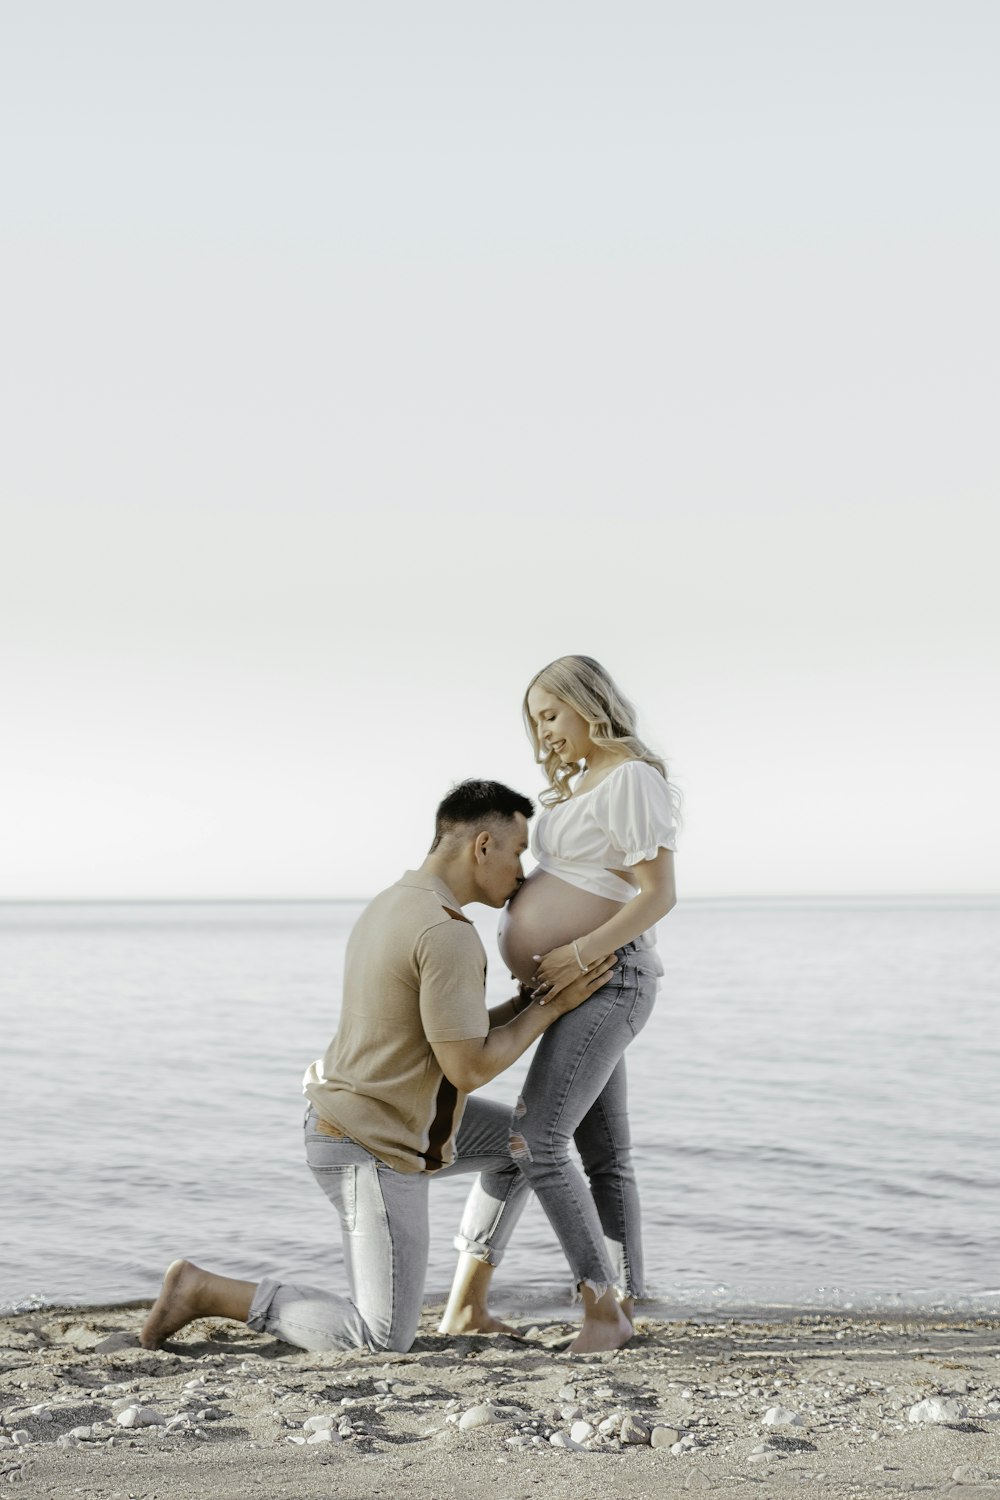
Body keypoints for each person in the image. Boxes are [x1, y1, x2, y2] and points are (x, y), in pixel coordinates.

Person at [139, 779, 615, 1355]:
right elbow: (467, 1067)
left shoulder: (395, 901)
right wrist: (552, 1008)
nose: (523, 871)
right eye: (519, 852)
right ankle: (208, 1291)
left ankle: (467, 1305)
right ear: (482, 845)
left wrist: (525, 1002)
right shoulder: (447, 933)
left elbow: (438, 1030)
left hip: (371, 1114)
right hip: (368, 1142)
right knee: (380, 1338)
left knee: (521, 1146)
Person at [439, 657, 679, 1354]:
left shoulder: (630, 777)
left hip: (608, 977)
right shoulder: (582, 788)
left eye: (551, 714)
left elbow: (656, 894)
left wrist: (576, 952)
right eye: (536, 720)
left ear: (586, 703)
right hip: (573, 986)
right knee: (604, 1152)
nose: (544, 732)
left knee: (534, 1140)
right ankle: (624, 1303)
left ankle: (603, 1310)